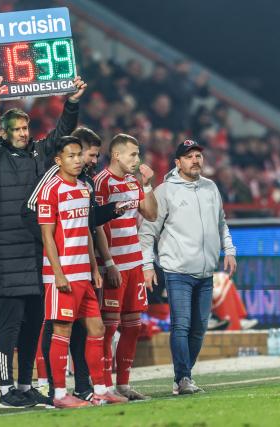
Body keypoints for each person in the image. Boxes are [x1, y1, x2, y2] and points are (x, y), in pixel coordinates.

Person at [0, 75, 86, 409]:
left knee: (34, 322)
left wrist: (73, 102)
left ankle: (24, 385)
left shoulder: (39, 154)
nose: (24, 133)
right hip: (8, 255)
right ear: (6, 133)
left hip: (36, 252)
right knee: (10, 324)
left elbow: (63, 135)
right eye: (18, 130)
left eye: (26, 128)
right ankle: (6, 390)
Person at [34, 127, 125, 402]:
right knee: (62, 332)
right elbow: (46, 236)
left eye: (78, 155)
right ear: (58, 161)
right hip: (61, 277)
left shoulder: (85, 188)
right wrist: (58, 274)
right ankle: (60, 394)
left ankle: (99, 391)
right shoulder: (50, 190)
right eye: (70, 156)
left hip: (84, 275)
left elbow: (85, 231)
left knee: (97, 330)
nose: (77, 160)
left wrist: (95, 269)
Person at [139, 139, 236, 395]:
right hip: (177, 271)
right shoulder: (165, 191)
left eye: (198, 156)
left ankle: (183, 376)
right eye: (189, 156)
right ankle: (183, 377)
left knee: (199, 328)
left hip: (206, 272)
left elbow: (221, 222)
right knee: (181, 325)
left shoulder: (210, 187)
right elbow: (147, 232)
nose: (195, 160)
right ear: (177, 163)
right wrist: (147, 265)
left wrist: (230, 250)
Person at [93, 133, 157, 400]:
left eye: (138, 153)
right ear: (116, 155)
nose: (137, 159)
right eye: (132, 154)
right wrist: (108, 264)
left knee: (133, 326)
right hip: (114, 266)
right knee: (109, 327)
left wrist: (149, 184)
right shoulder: (101, 183)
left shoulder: (133, 181)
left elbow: (151, 214)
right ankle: (105, 386)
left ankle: (124, 384)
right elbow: (97, 225)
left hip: (134, 263)